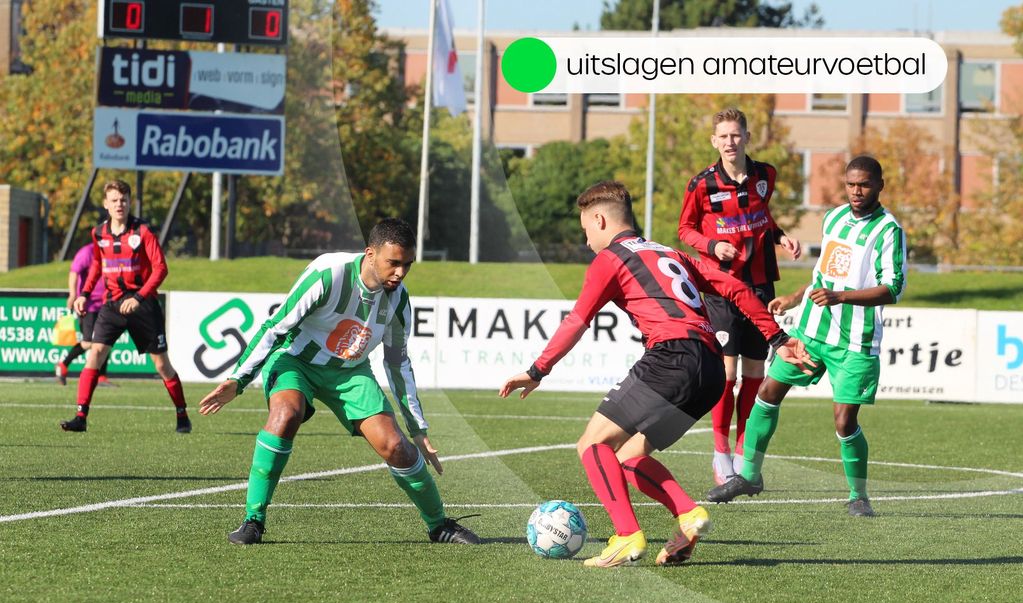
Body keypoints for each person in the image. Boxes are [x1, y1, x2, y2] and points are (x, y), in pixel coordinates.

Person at [499, 181, 809, 568]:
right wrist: (777, 337)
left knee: (592, 444)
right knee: (630, 455)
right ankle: (688, 515)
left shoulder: (611, 258)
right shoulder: (670, 252)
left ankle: (627, 535)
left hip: (672, 356)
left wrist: (537, 370)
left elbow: (579, 319)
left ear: (599, 219)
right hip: (711, 367)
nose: (586, 240)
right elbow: (735, 288)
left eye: (585, 231)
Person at [198, 218, 480, 546]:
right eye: (394, 263)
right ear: (370, 254)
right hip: (295, 361)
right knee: (286, 415)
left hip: (349, 372)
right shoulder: (327, 274)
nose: (400, 273)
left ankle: (438, 525)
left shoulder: (399, 302)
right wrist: (238, 380)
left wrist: (417, 428)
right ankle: (253, 521)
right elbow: (275, 328)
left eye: (407, 265)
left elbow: (397, 362)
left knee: (395, 447)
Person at [706, 156, 907, 517]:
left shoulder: (888, 230)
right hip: (811, 331)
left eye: (864, 184)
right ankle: (749, 475)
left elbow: (892, 288)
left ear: (880, 185)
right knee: (768, 393)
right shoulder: (833, 218)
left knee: (844, 421)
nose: (856, 191)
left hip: (854, 343)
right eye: (850, 184)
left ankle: (858, 496)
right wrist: (795, 298)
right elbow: (823, 276)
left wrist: (840, 297)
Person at [678, 107, 803, 487]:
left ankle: (744, 451)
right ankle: (720, 455)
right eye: (724, 136)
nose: (730, 142)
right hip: (720, 288)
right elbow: (685, 230)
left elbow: (762, 218)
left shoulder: (766, 175)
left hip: (761, 286)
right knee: (726, 374)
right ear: (714, 141)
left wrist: (781, 237)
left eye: (736, 135)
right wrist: (712, 245)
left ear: (747, 137)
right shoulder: (701, 185)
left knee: (754, 373)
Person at [63, 180, 189, 433]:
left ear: (130, 202)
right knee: (96, 352)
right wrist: (84, 293)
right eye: (114, 200)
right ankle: (81, 416)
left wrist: (139, 298)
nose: (119, 204)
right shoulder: (99, 233)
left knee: (162, 365)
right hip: (112, 304)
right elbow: (97, 266)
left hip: (142, 304)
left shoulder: (142, 231)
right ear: (106, 204)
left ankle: (182, 414)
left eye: (124, 200)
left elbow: (161, 268)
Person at [56, 242, 114, 387]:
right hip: (89, 304)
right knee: (88, 342)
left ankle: (101, 376)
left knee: (105, 340)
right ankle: (63, 365)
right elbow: (74, 272)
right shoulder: (87, 252)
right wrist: (72, 294)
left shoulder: (112, 251)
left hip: (107, 303)